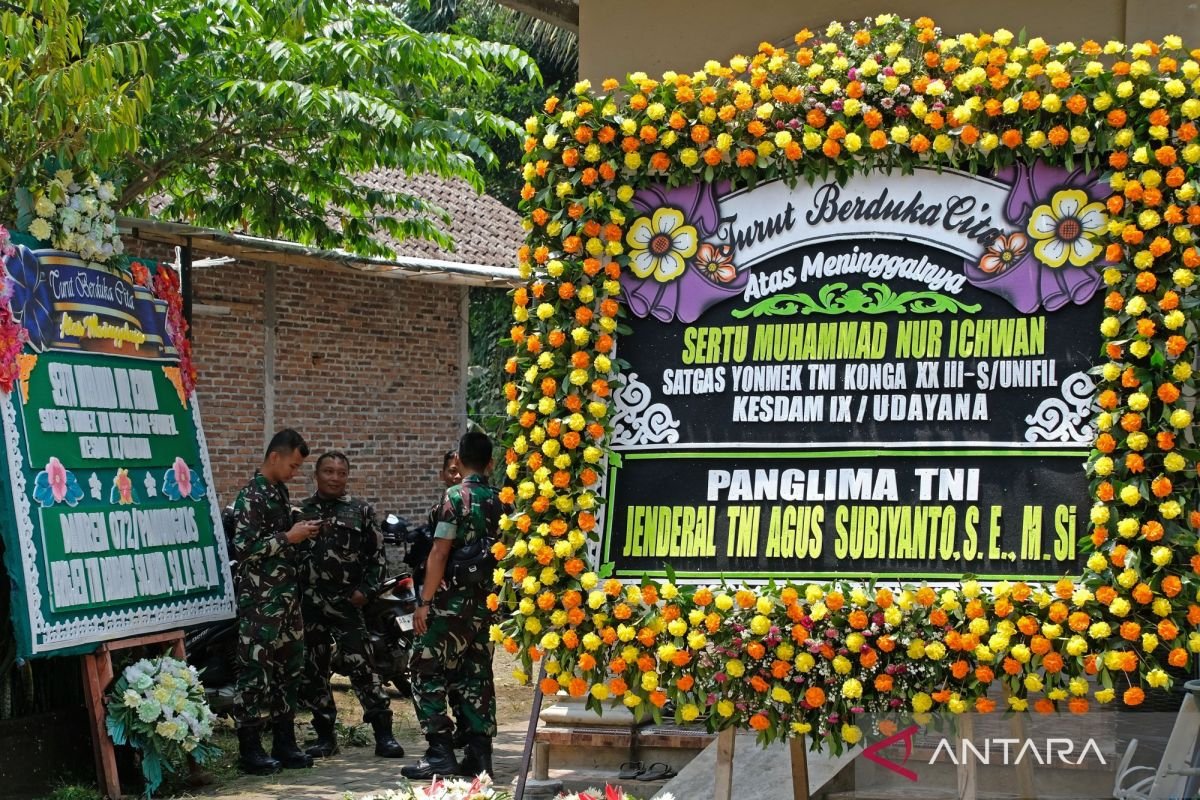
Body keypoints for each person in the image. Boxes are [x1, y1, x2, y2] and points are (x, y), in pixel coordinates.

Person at [401, 432, 503, 779]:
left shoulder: (454, 497)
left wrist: (424, 602)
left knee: (423, 666)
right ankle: (480, 757)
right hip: (485, 605)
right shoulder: (503, 500)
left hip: (450, 603)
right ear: (491, 463)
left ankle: (440, 752)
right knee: (476, 675)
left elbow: (440, 550)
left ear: (457, 460)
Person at [297, 451, 404, 759]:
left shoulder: (361, 511)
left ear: (347, 477)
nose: (334, 477)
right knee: (313, 670)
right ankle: (325, 736)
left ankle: (384, 735)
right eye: (328, 471)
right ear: (316, 475)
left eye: (340, 473)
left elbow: (377, 559)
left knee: (363, 667)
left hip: (347, 602)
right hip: (311, 604)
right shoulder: (301, 512)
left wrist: (366, 592)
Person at [230, 429, 320, 775]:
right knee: (255, 674)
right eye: (293, 466)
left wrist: (301, 529)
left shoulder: (278, 493)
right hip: (260, 603)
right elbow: (245, 550)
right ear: (275, 457)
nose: (294, 473)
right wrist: (288, 536)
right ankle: (249, 749)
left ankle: (285, 742)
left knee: (289, 671)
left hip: (286, 601)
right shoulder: (250, 497)